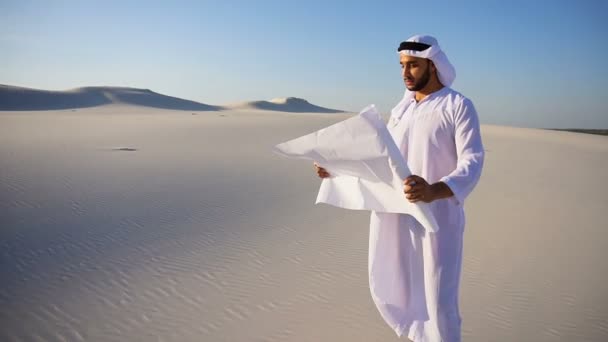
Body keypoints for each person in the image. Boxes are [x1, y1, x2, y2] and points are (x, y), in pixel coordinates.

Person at [314, 35, 484, 341]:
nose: (406, 73)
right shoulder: (401, 111)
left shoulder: (457, 105)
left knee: (438, 299)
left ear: (433, 66)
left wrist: (435, 189)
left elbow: (472, 162)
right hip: (396, 217)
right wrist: (335, 171)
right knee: (402, 292)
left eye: (414, 65)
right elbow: (381, 161)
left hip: (437, 221)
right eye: (402, 66)